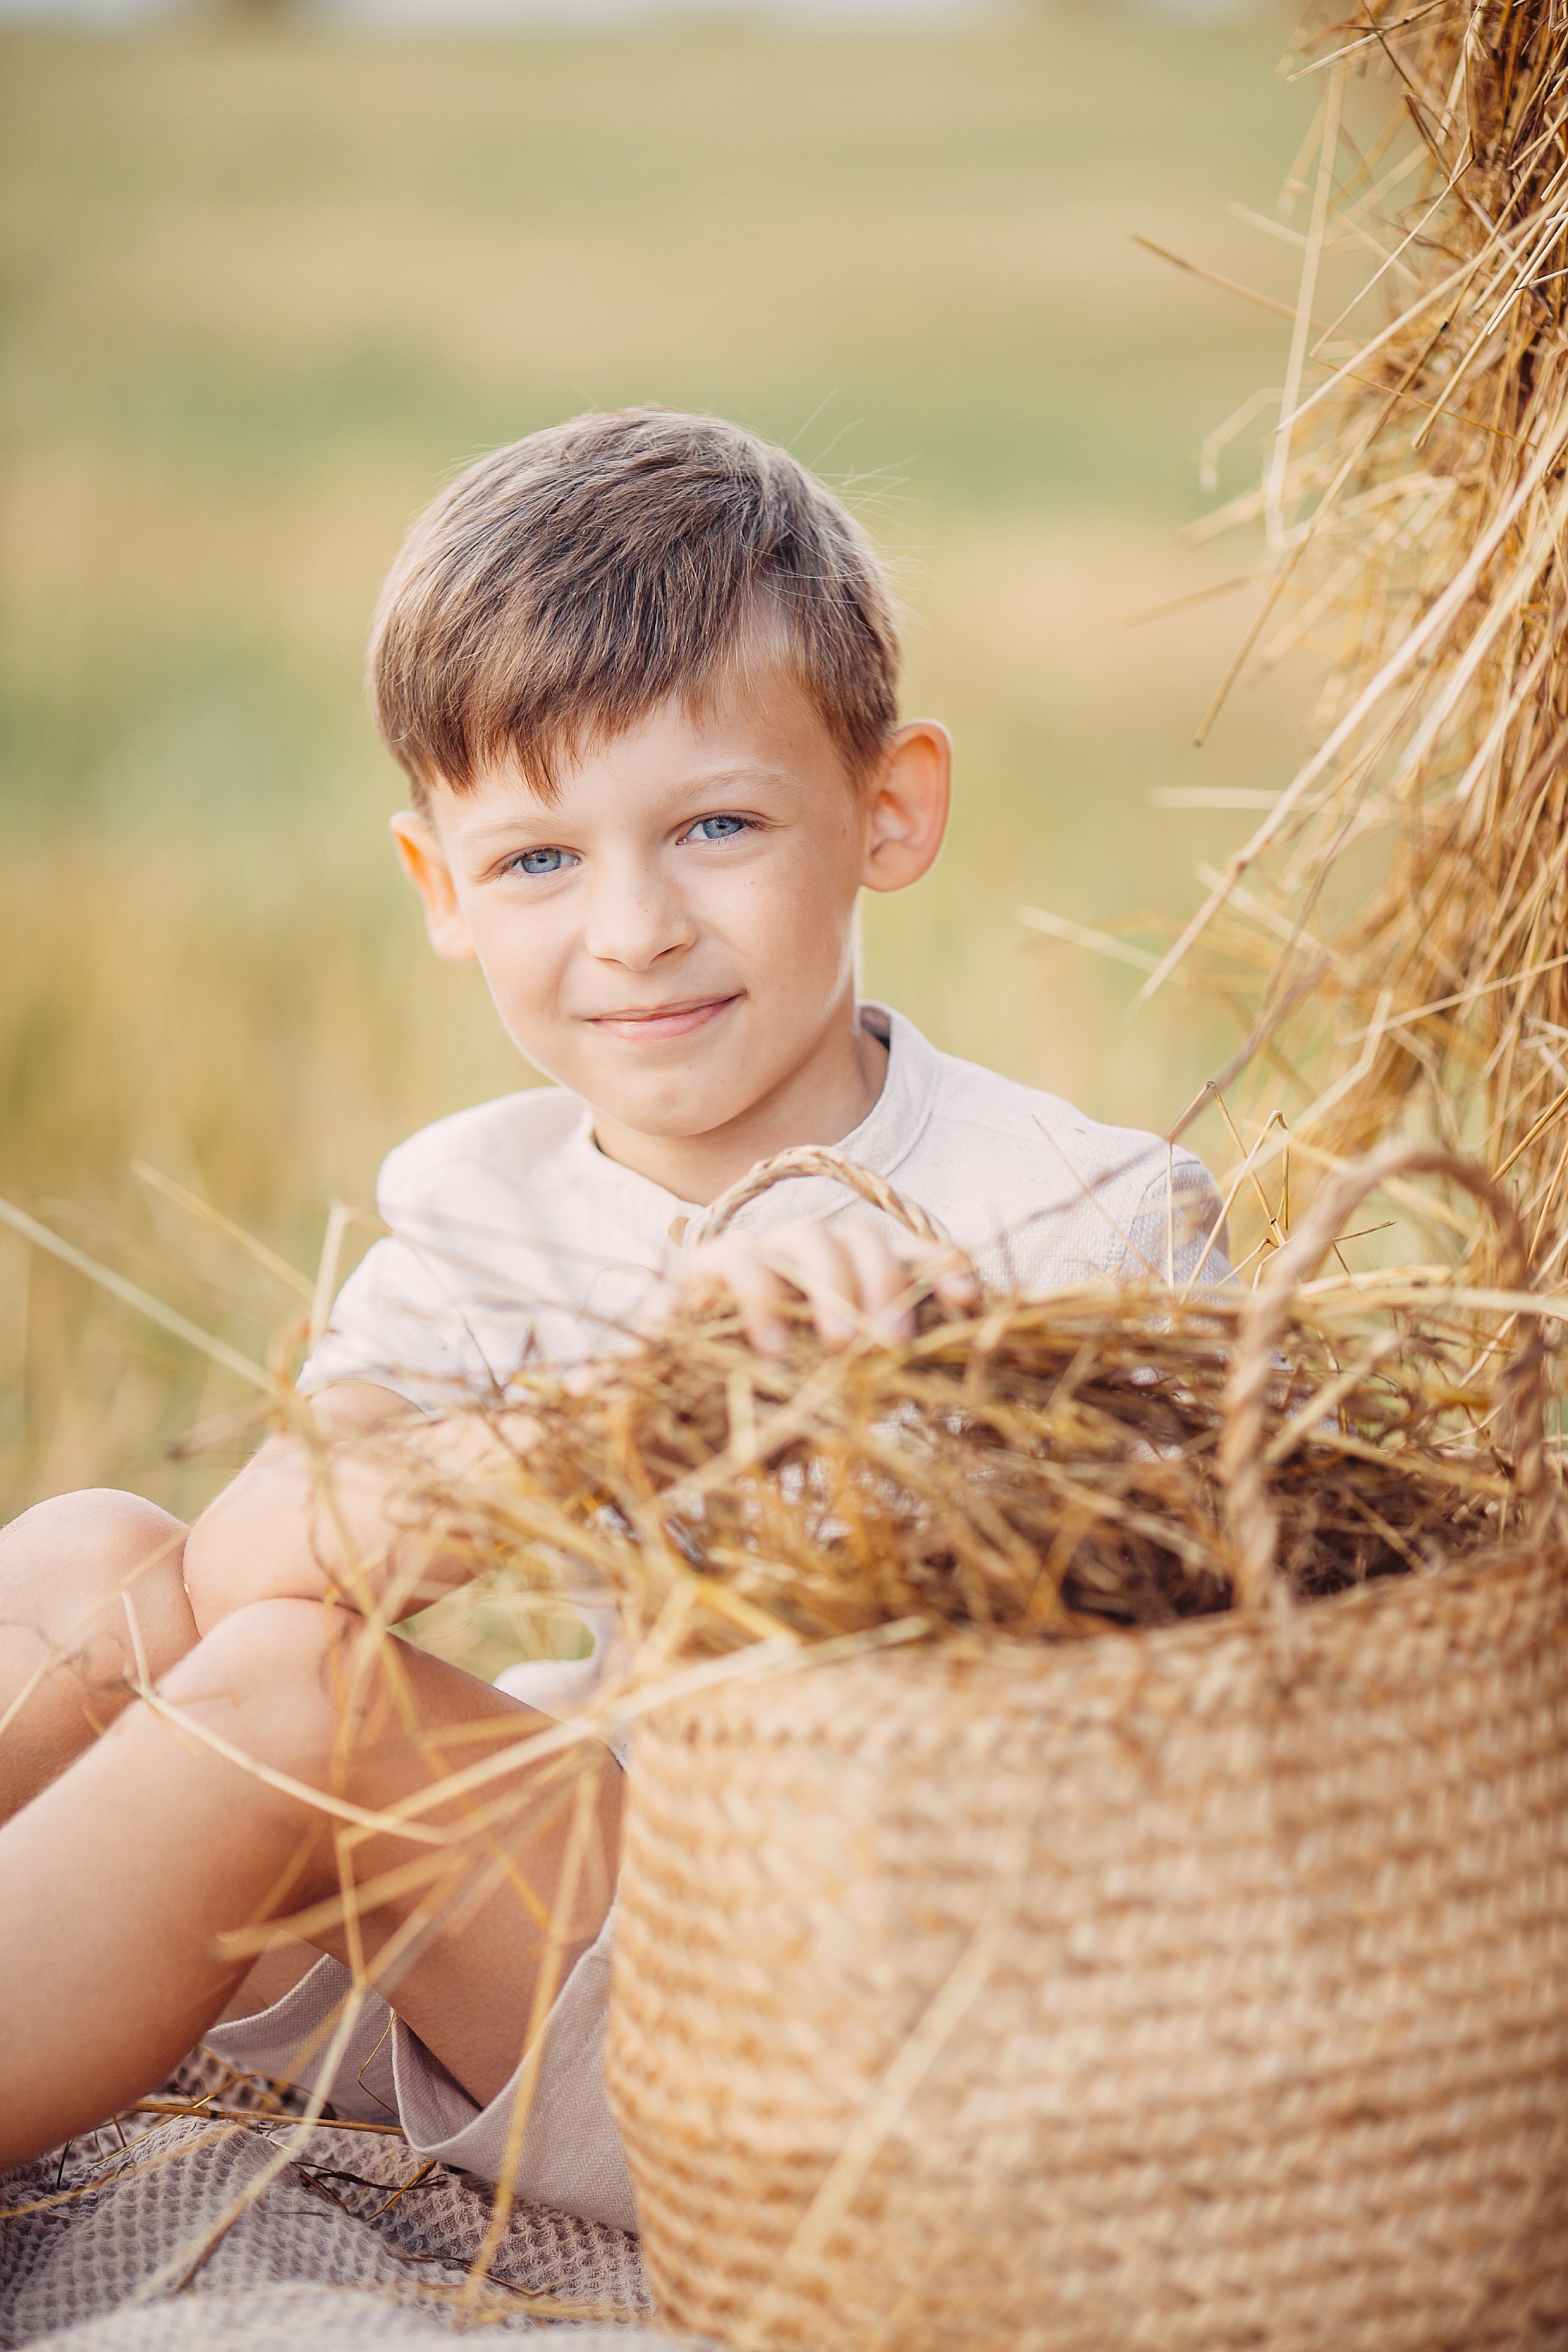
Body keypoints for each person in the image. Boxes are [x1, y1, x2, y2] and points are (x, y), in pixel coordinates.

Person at [0, 410, 1227, 2218]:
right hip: (537, 1933)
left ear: (890, 813)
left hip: (847, 2027)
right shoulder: (490, 1209)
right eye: (538, 862)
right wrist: (624, 1395)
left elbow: (1199, 1723)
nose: (635, 928)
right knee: (85, 1561)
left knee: (291, 1704)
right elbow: (262, 1561)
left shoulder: (1078, 1212)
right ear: (439, 889)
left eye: (715, 824)